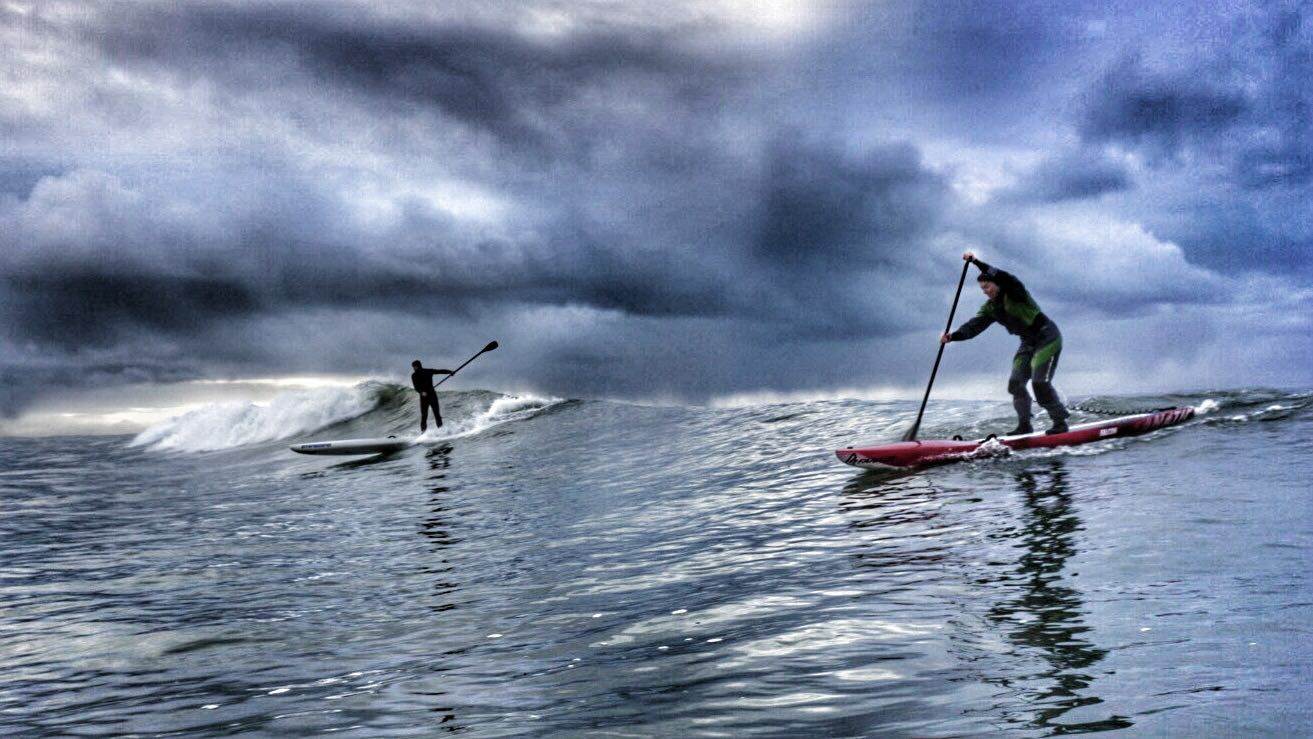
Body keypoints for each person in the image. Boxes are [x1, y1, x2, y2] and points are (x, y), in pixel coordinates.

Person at [940, 252, 1070, 435]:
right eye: (982, 289)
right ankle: (1024, 426)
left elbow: (1005, 277)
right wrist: (953, 336)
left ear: (997, 284)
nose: (985, 291)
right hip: (1028, 343)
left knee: (1039, 383)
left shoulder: (1015, 292)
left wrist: (976, 262)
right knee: (1015, 383)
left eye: (987, 286)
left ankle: (1060, 423)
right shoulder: (990, 308)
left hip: (1047, 337)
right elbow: (973, 326)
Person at [411, 360, 454, 432]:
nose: (413, 368)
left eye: (414, 367)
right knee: (426, 416)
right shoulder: (418, 374)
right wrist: (421, 392)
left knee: (434, 414)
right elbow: (416, 387)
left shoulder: (422, 373)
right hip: (427, 396)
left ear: (417, 366)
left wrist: (450, 372)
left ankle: (440, 431)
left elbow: (439, 371)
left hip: (429, 396)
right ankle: (426, 433)